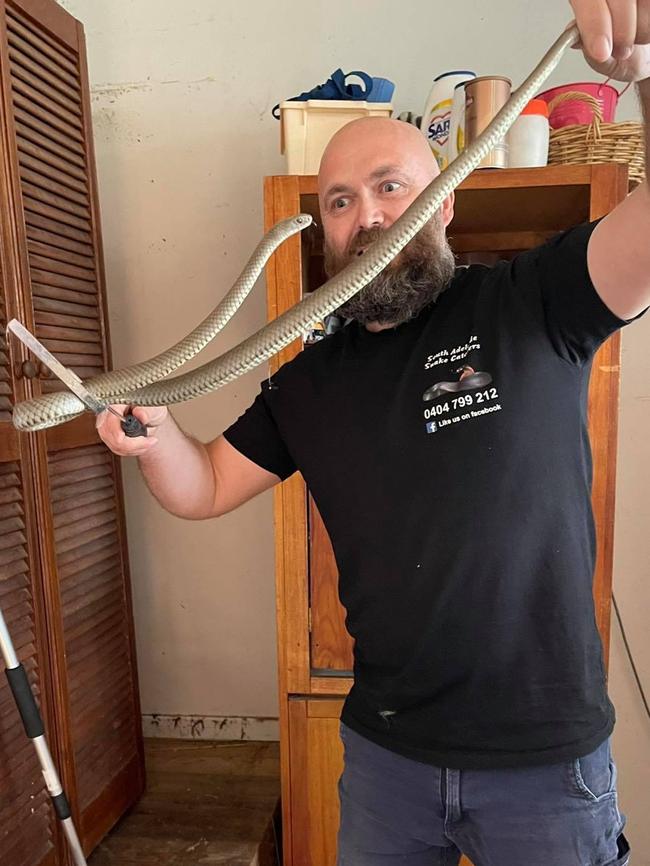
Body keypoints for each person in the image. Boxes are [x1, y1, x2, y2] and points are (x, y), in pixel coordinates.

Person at [98, 4, 650, 864]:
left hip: (543, 764)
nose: (367, 216)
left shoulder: (529, 303)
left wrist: (647, 54)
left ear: (446, 198)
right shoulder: (309, 377)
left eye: (392, 185)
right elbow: (202, 485)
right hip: (388, 761)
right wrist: (154, 435)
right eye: (340, 202)